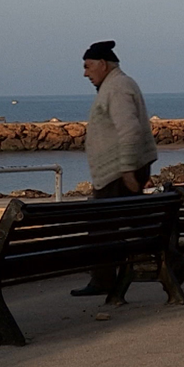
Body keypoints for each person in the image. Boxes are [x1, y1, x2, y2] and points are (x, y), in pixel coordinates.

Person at [71, 40, 158, 297]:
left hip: (118, 174)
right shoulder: (116, 85)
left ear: (103, 64)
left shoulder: (117, 87)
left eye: (88, 67)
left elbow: (130, 130)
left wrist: (129, 170)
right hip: (119, 172)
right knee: (136, 223)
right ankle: (174, 263)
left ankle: (103, 281)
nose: (85, 73)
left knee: (101, 227)